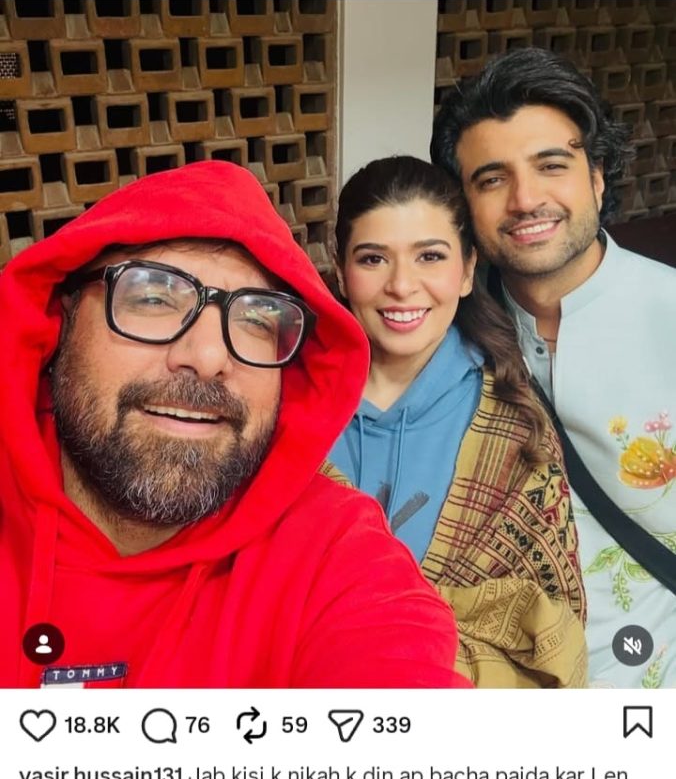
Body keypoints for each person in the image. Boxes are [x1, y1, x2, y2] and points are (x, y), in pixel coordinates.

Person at [0, 159, 470, 690]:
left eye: (255, 317)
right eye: (153, 297)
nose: (207, 356)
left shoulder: (335, 556)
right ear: (59, 320)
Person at [431, 46, 676, 688]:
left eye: (551, 166)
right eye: (492, 179)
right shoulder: (440, 332)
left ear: (596, 177)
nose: (525, 199)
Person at [327, 155, 587, 688]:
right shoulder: (284, 403)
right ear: (340, 271)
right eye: (373, 259)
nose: (402, 286)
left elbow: (548, 627)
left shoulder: (514, 428)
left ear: (467, 269)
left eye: (430, 256)